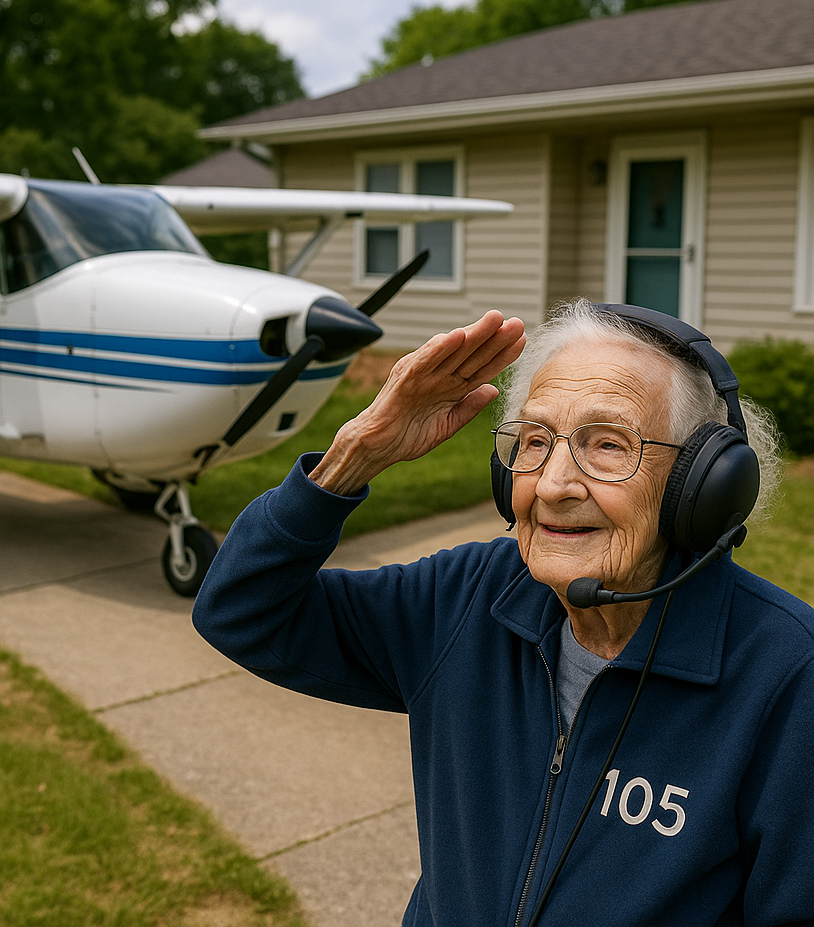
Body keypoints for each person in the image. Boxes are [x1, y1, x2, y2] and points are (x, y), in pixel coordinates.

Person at [192, 300, 814, 927]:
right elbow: (242, 609)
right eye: (535, 441)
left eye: (608, 445)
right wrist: (357, 453)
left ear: (703, 486)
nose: (551, 485)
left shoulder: (788, 675)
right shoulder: (469, 594)